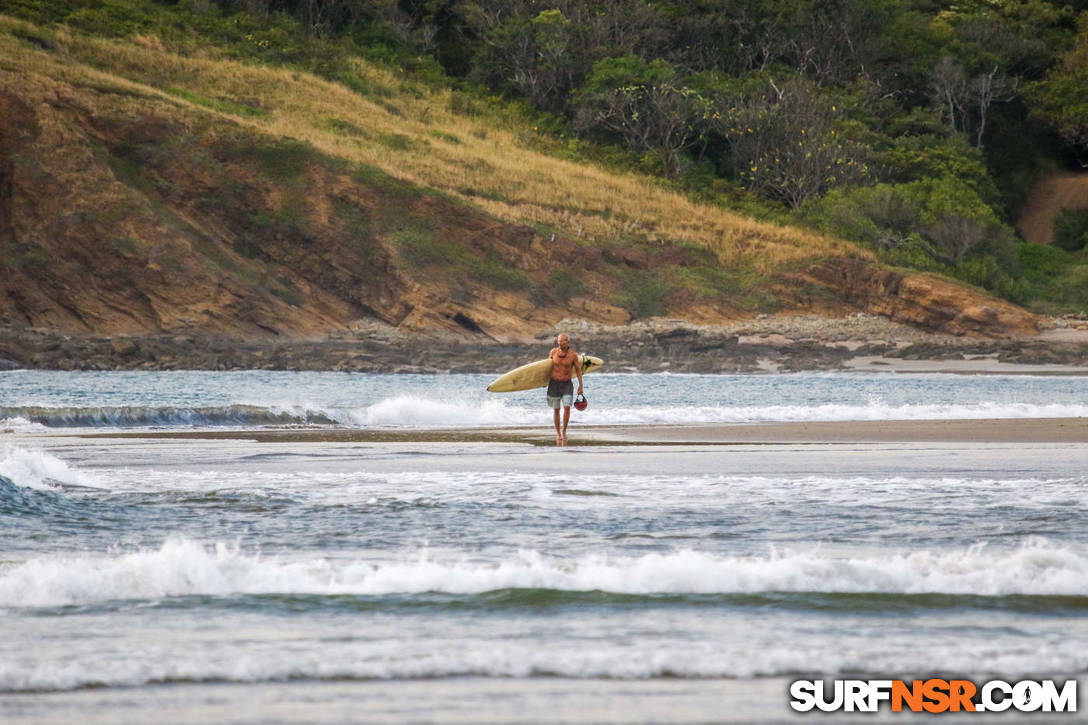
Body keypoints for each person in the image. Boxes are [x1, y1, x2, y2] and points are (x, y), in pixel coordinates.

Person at [547, 333, 583, 445]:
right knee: (556, 409)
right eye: (558, 340)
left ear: (567, 342)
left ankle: (564, 432)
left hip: (567, 384)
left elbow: (578, 370)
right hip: (554, 384)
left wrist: (580, 386)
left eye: (562, 341)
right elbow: (546, 367)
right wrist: (542, 382)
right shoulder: (553, 352)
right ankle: (558, 433)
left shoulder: (573, 355)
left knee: (567, 407)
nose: (559, 342)